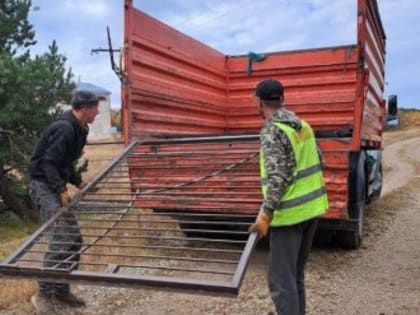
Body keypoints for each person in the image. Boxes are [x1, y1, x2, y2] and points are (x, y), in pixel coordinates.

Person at [249, 78, 329, 315]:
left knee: (282, 282)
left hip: (290, 215)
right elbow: (319, 161)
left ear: (259, 102)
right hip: (312, 210)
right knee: (295, 276)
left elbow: (277, 178)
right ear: (282, 99)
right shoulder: (302, 126)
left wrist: (265, 214)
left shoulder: (272, 131)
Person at [28, 90, 101, 314]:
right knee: (60, 239)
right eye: (95, 107)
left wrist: (78, 183)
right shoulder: (64, 128)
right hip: (43, 185)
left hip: (53, 183)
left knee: (74, 239)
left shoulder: (81, 129)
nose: (98, 112)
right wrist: (61, 190)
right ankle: (42, 294)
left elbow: (64, 163)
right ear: (85, 108)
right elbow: (49, 164)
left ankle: (60, 289)